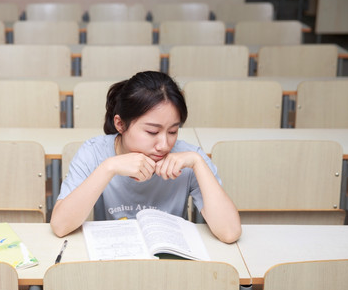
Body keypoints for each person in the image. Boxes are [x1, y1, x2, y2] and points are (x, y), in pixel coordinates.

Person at [51, 71, 241, 243]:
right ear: (120, 124)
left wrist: (198, 163)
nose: (164, 145)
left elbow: (229, 232)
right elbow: (60, 226)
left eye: (173, 131)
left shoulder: (189, 158)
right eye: (152, 132)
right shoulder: (93, 153)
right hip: (113, 260)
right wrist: (108, 168)